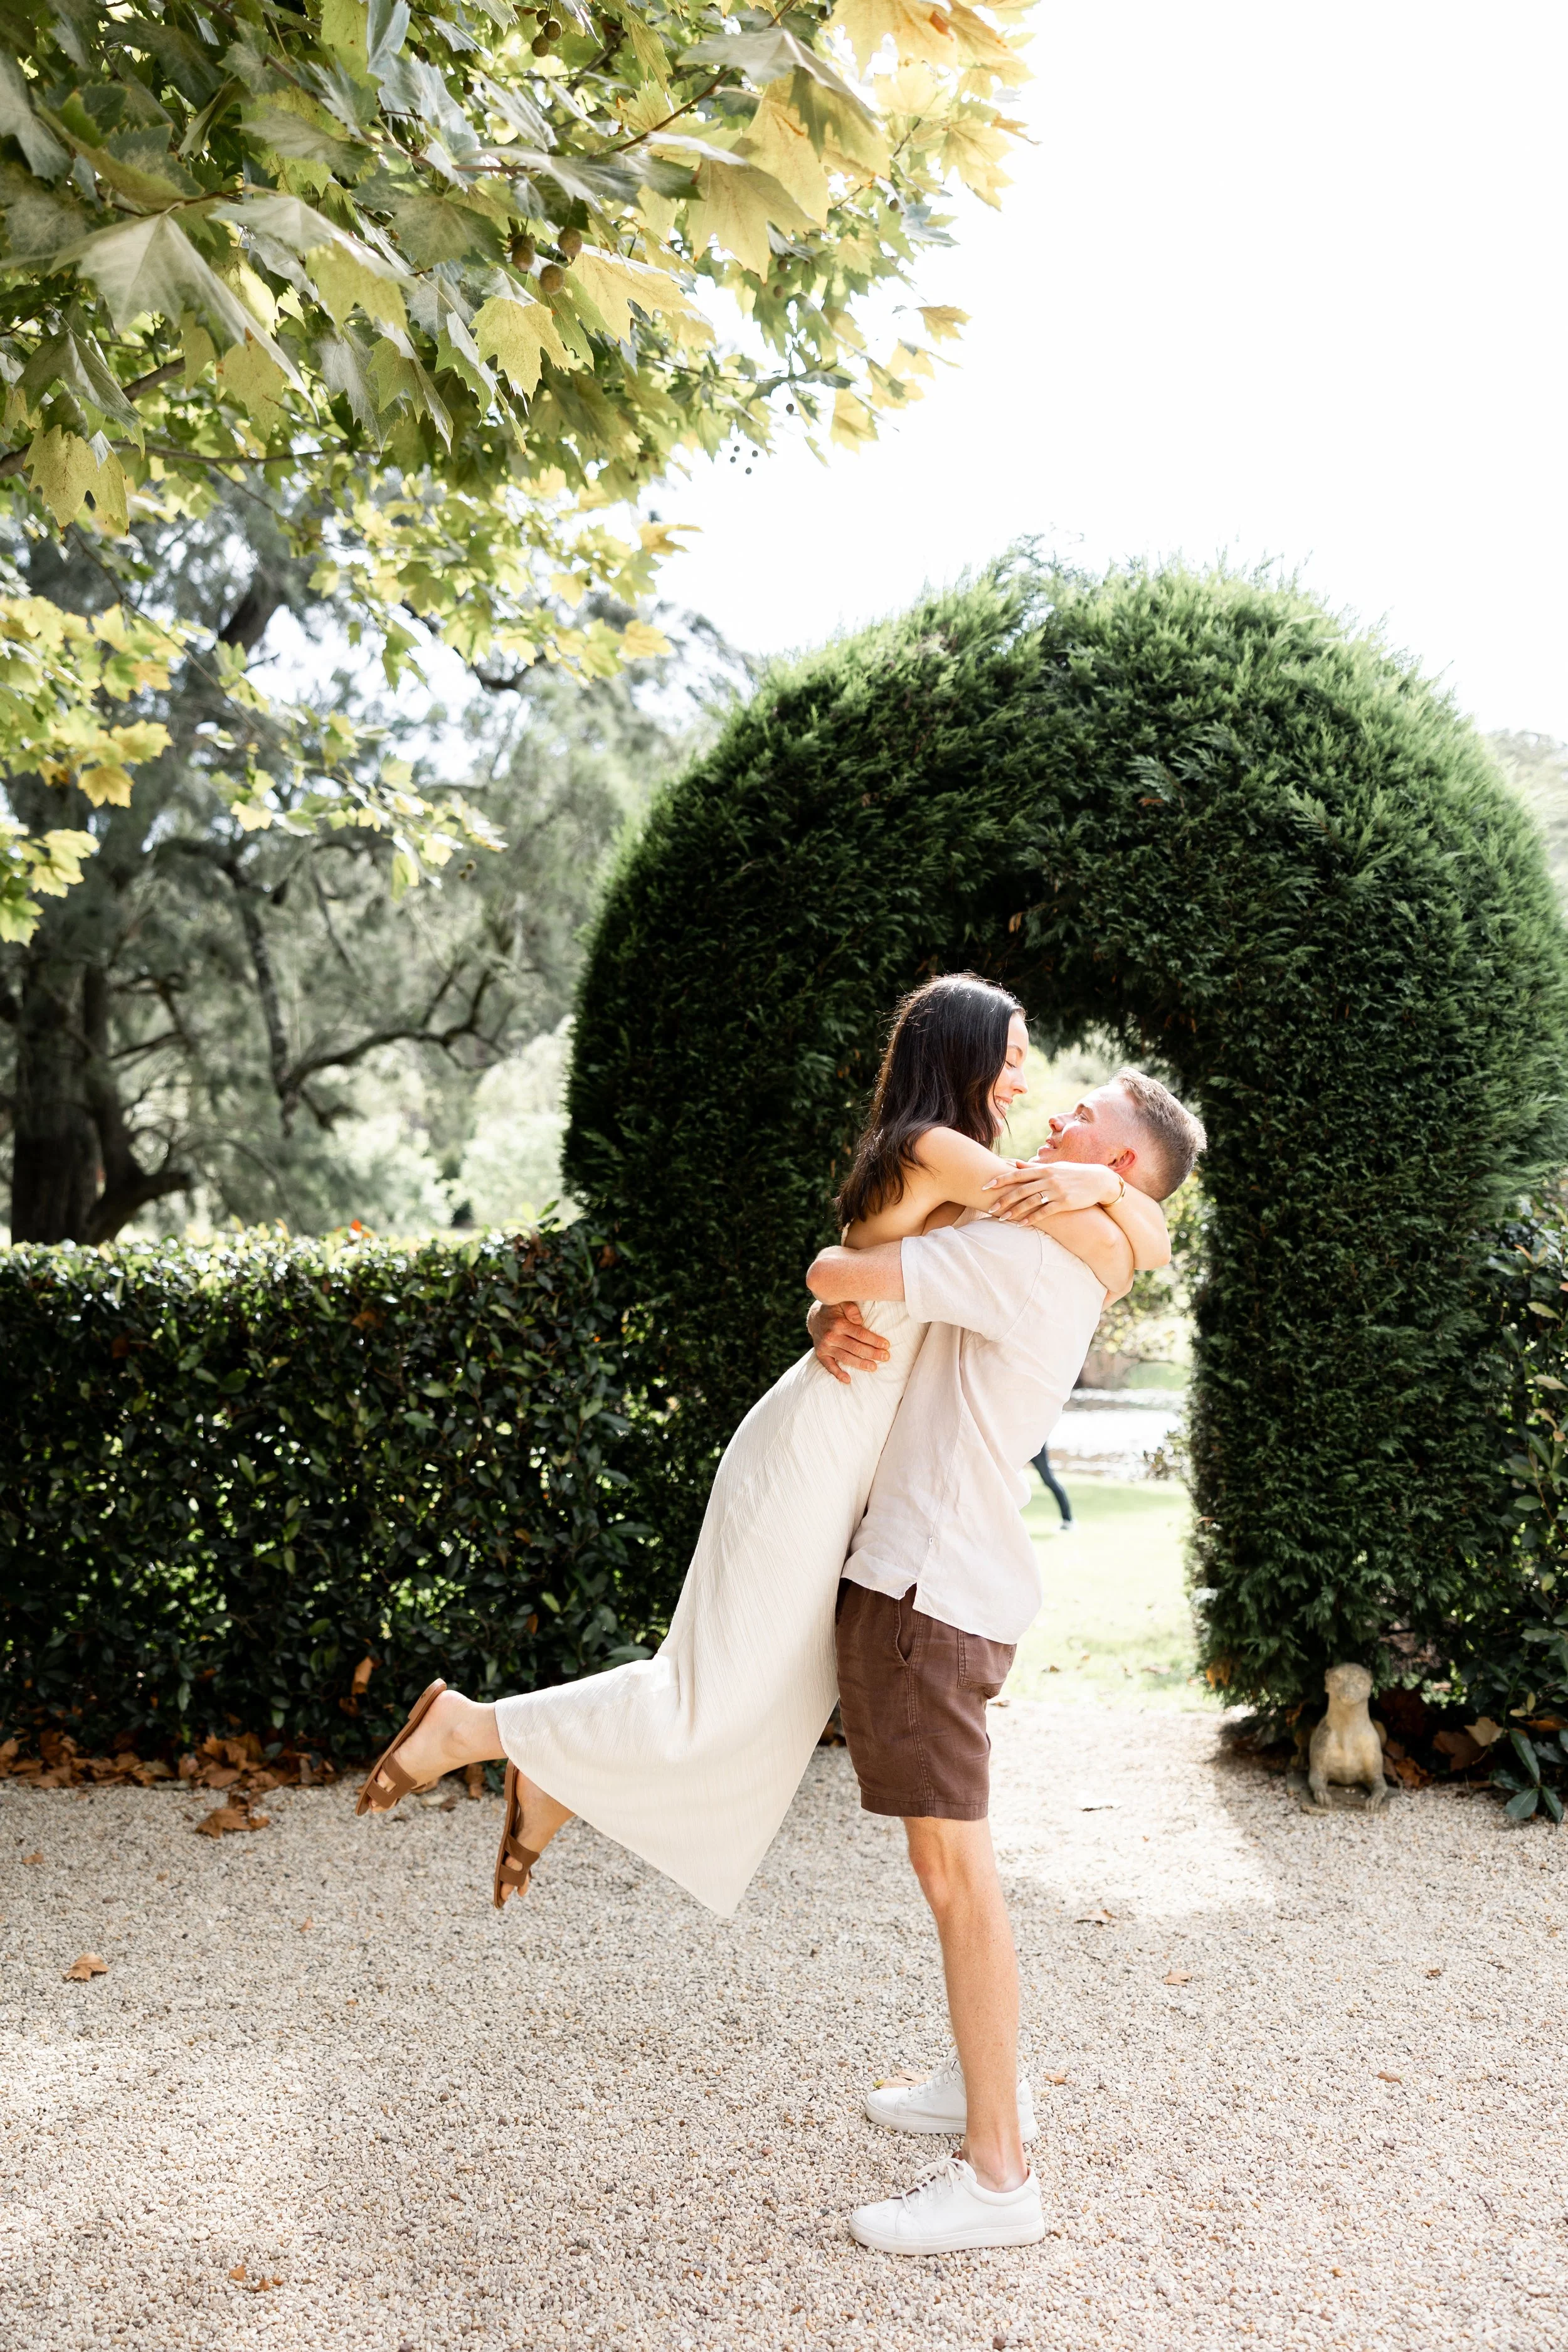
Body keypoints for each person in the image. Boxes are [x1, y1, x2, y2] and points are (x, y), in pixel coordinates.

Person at [355, 977, 1167, 1924]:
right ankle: (476, 1727)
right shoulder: (942, 1150)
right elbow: (1119, 1257)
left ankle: (557, 1779)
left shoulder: (952, 1157)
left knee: (766, 1698)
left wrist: (1101, 1182)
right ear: (962, 1052)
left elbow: (880, 1274)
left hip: (847, 1458)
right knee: (717, 1688)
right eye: (1014, 1058)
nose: (1023, 1084)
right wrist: (1106, 1187)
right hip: (815, 1450)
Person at [804, 1062, 1205, 2254]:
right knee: (948, 1881)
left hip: (929, 1592)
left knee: (962, 1884)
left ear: (1119, 1162)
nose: (1055, 1115)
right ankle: (984, 2090)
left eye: (1085, 1115)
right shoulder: (1071, 1237)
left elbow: (842, 1267)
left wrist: (836, 1292)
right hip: (946, 1586)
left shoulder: (1028, 1248)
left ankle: (997, 2174)